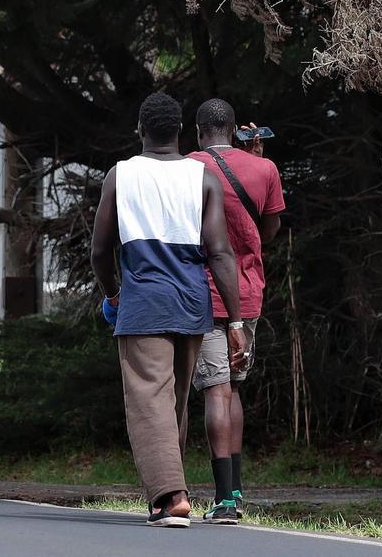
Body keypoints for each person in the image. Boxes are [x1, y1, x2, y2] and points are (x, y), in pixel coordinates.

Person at [90, 92, 245, 528]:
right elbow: (220, 253)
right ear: (180, 132)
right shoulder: (203, 178)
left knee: (148, 400)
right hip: (193, 303)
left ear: (140, 130)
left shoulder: (121, 176)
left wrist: (113, 292)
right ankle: (169, 492)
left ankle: (170, 498)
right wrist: (234, 321)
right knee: (172, 401)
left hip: (144, 301)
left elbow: (101, 251)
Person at [187, 98, 285, 524]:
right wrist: (256, 161)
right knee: (235, 389)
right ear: (235, 130)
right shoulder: (265, 169)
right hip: (247, 293)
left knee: (215, 390)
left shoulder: (187, 166)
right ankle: (237, 491)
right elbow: (269, 229)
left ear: (198, 131)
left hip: (203, 292)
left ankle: (224, 498)